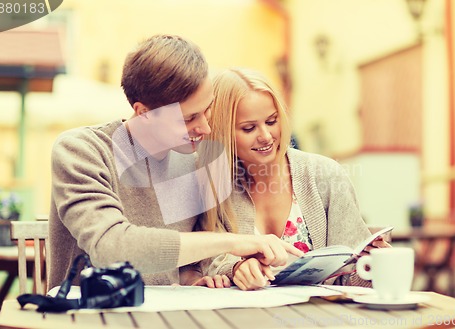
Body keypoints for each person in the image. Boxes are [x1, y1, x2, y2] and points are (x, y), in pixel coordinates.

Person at [48, 35, 302, 290]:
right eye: (188, 118)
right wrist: (231, 242)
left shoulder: (194, 163)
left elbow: (186, 262)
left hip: (167, 314)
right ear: (144, 113)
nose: (205, 127)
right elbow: (111, 249)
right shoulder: (82, 150)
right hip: (91, 317)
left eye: (207, 109)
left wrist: (193, 277)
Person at [199, 68, 391, 290]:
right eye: (249, 128)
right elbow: (202, 261)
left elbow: (353, 280)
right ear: (223, 133)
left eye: (271, 121)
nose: (266, 136)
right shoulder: (212, 184)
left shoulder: (326, 175)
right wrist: (234, 268)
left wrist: (377, 266)